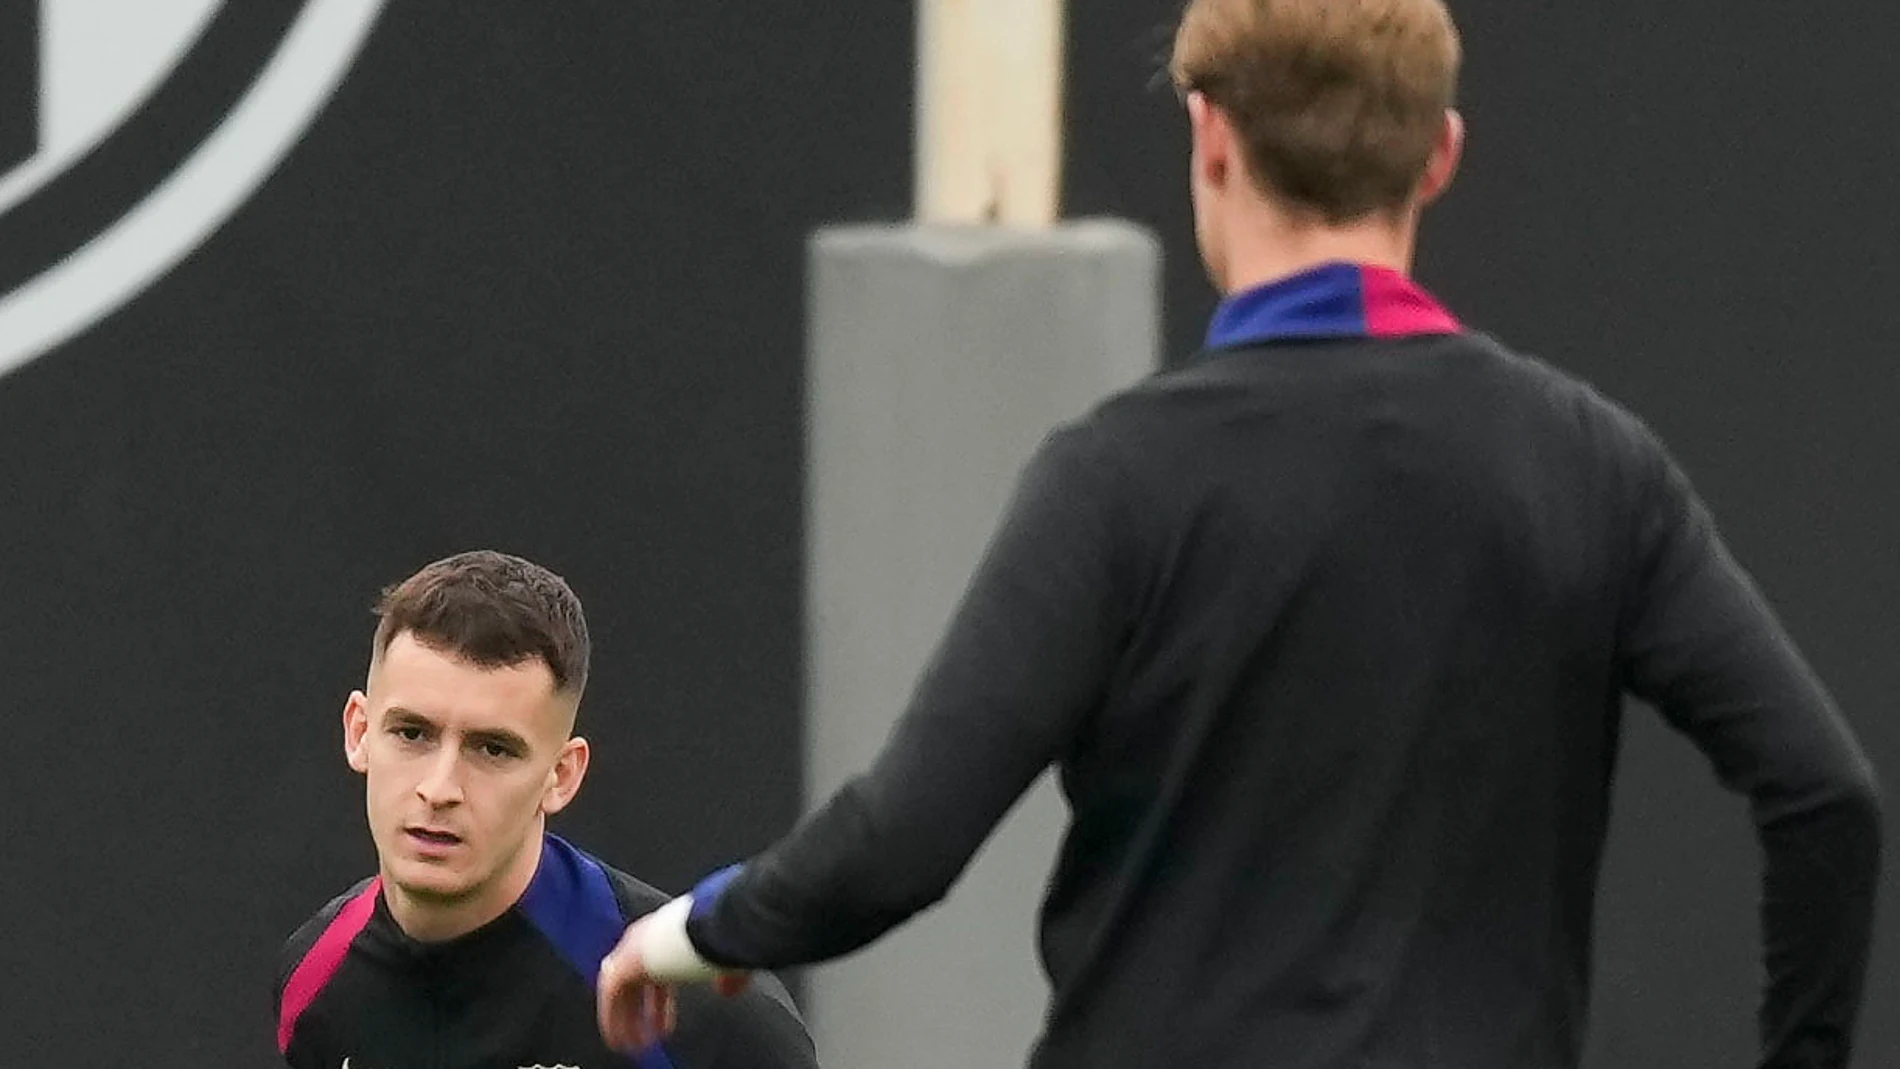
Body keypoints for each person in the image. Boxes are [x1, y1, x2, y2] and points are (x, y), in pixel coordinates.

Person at [599, 0, 1885, 1066]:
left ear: (1208, 137)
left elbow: (900, 844)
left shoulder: (1116, 479)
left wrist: (689, 933)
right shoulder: (1593, 465)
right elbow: (1824, 795)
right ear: (1438, 153)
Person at [275, 550, 817, 1069]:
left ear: (561, 776)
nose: (440, 789)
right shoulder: (314, 978)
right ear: (359, 732)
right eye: (412, 733)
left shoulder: (698, 1013)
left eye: (493, 749)